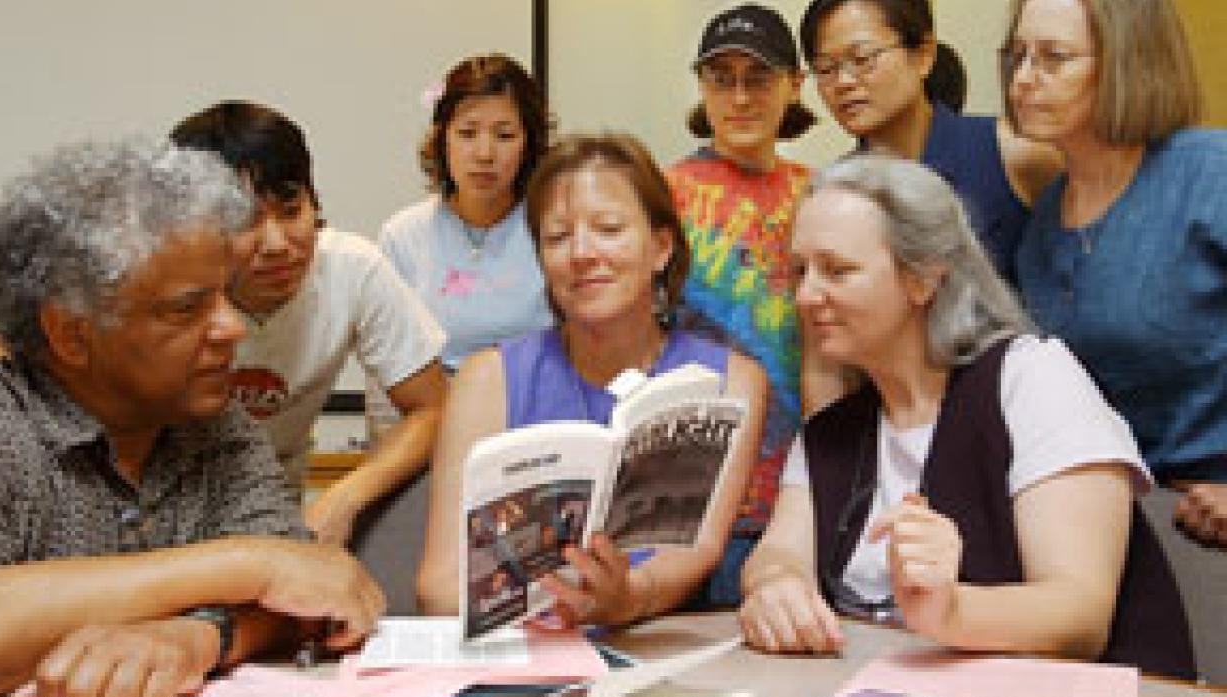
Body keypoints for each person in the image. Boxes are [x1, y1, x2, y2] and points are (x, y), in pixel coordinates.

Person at [0, 138, 384, 697]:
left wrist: (198, 637)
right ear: (71, 334)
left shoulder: (214, 423)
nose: (231, 328)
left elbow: (315, 594)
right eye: (186, 308)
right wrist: (243, 565)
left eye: (226, 296)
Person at [738, 155, 1193, 678]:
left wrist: (950, 610)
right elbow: (778, 553)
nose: (805, 296)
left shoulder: (1033, 380)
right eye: (799, 271)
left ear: (924, 278)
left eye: (837, 270)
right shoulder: (830, 432)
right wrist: (776, 588)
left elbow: (1079, 615)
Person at [418, 133, 767, 625]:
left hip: (659, 644)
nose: (582, 253)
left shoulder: (732, 382)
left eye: (608, 228)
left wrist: (629, 596)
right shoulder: (487, 379)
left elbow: (698, 549)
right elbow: (438, 588)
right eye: (558, 237)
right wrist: (549, 607)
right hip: (522, 652)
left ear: (661, 247)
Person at [169, 101, 449, 545]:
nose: (278, 244)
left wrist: (346, 496)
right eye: (245, 221)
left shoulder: (352, 270)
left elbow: (433, 408)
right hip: (171, 509)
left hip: (277, 505)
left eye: (290, 209)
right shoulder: (165, 291)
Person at [1006, 0, 1227, 549]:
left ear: (1128, 64)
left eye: (1053, 58)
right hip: (1120, 527)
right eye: (1017, 56)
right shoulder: (1044, 218)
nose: (1025, 79)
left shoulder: (1209, 172)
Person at [667, 2, 815, 608]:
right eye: (721, 79)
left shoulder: (821, 192)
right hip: (686, 490)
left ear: (794, 86)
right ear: (701, 88)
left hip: (798, 495)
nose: (740, 97)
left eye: (758, 78)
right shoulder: (663, 194)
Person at [797, 0, 1062, 281]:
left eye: (862, 59)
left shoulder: (1014, 154)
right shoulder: (835, 191)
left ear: (923, 55)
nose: (844, 82)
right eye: (826, 69)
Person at [379, 53, 555, 372]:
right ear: (442, 139)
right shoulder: (403, 236)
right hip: (438, 411)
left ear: (529, 144)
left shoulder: (554, 229)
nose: (484, 153)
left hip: (538, 411)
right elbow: (389, 366)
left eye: (504, 135)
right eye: (467, 133)